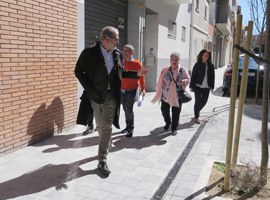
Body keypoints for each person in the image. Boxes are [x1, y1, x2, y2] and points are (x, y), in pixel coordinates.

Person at [74, 26, 123, 175]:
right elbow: (78, 71)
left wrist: (136, 74)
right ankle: (105, 142)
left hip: (111, 97)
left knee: (106, 126)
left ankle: (102, 160)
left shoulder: (117, 54)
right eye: (116, 39)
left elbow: (120, 72)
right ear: (106, 40)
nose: (118, 41)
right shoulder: (89, 53)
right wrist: (89, 89)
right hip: (95, 97)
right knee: (100, 126)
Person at [151, 52, 190, 135]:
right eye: (173, 59)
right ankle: (168, 122)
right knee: (164, 111)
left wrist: (183, 81)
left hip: (177, 95)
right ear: (170, 60)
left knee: (176, 113)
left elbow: (188, 79)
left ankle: (174, 128)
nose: (174, 61)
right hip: (165, 95)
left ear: (179, 61)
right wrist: (160, 92)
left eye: (176, 59)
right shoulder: (165, 70)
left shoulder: (182, 70)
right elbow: (160, 81)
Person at [120, 44, 146, 138]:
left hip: (132, 90)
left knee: (129, 109)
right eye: (124, 50)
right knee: (125, 109)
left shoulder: (137, 64)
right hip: (122, 90)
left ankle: (130, 129)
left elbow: (141, 77)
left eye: (126, 50)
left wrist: (143, 89)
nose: (124, 52)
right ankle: (127, 127)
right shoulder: (121, 63)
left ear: (132, 52)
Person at [189, 49, 215, 124]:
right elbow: (193, 76)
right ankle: (196, 117)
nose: (205, 57)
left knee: (204, 102)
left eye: (207, 56)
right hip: (197, 86)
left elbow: (212, 77)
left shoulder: (211, 66)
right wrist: (191, 86)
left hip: (206, 87)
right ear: (201, 56)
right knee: (198, 101)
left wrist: (212, 86)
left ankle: (197, 110)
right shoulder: (197, 64)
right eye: (204, 55)